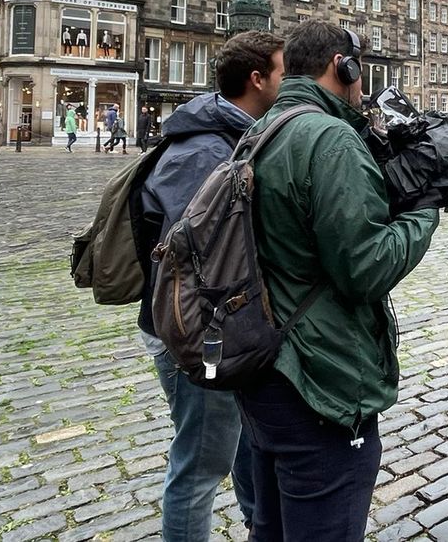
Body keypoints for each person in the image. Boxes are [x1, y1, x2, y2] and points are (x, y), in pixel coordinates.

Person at [236, 20, 439, 542]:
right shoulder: (330, 138)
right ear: (341, 66)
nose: (362, 84)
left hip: (263, 369)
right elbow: (364, 269)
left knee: (272, 528)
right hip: (316, 383)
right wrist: (425, 211)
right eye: (358, 70)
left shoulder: (262, 130)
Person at [139, 31, 284, 542]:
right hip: (195, 337)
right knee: (200, 465)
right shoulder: (201, 152)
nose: (288, 82)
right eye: (283, 72)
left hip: (223, 332)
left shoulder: (234, 137)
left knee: (245, 445)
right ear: (258, 79)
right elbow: (186, 267)